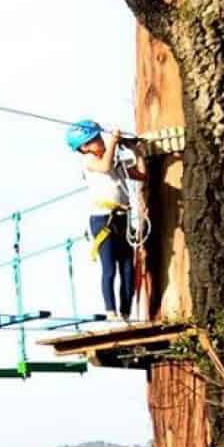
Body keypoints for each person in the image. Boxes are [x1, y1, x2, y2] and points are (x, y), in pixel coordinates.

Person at [67, 120, 144, 321]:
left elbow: (142, 174)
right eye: (95, 140)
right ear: (84, 147)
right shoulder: (89, 161)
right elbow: (104, 166)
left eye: (100, 138)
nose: (100, 142)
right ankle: (111, 312)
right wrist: (114, 141)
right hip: (103, 220)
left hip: (122, 217)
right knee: (109, 267)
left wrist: (136, 151)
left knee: (128, 267)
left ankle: (126, 312)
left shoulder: (115, 161)